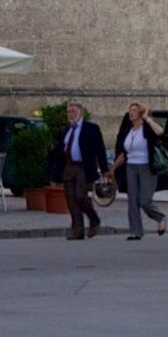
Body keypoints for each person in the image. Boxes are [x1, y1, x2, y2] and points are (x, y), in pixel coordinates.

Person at [56, 103, 107, 240]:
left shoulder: (91, 129)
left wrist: (105, 169)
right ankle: (77, 231)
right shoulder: (66, 130)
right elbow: (59, 151)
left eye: (73, 111)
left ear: (81, 112)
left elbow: (100, 149)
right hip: (69, 167)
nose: (70, 115)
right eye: (68, 112)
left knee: (80, 196)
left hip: (84, 167)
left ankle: (94, 218)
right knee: (71, 200)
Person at [117, 104, 166, 242]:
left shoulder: (146, 128)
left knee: (144, 200)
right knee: (132, 201)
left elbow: (160, 131)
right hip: (131, 167)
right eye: (130, 110)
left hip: (146, 167)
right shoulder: (128, 129)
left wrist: (147, 118)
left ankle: (160, 217)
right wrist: (113, 168)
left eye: (134, 110)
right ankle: (135, 232)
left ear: (140, 113)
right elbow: (124, 152)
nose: (131, 113)